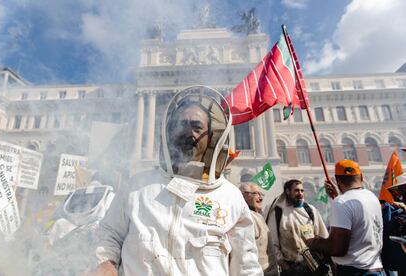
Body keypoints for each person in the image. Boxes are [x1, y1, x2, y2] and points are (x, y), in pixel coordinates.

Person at [92, 86, 262, 275]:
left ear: (212, 136)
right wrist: (106, 262)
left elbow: (247, 266)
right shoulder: (137, 187)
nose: (189, 133)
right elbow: (108, 234)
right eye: (181, 125)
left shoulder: (230, 197)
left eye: (197, 127)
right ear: (168, 133)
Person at [307, 160, 384, 276]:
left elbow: (338, 248)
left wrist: (314, 242)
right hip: (377, 269)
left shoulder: (342, 202)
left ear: (337, 181)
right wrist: (337, 196)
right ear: (361, 177)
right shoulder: (372, 197)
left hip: (354, 271)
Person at [267, 179, 328, 276]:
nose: (300, 193)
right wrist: (285, 266)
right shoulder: (278, 213)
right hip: (290, 268)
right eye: (296, 190)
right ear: (287, 191)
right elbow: (272, 243)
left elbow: (322, 236)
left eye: (302, 190)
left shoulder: (311, 210)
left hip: (314, 267)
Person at [239, 179, 278, 275]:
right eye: (257, 194)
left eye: (262, 194)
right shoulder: (246, 217)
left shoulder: (258, 216)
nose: (261, 198)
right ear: (244, 195)